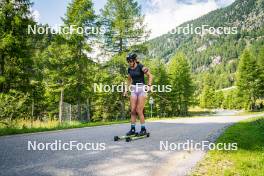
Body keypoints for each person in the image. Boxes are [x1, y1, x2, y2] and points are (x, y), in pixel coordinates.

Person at [123, 53, 153, 136]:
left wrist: (149, 86)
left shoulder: (141, 66)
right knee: (133, 110)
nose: (129, 63)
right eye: (128, 61)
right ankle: (132, 129)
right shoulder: (129, 69)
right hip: (134, 89)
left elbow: (150, 76)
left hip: (142, 89)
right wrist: (126, 90)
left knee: (139, 110)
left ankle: (143, 129)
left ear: (135, 60)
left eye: (131, 61)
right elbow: (129, 80)